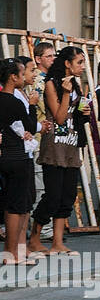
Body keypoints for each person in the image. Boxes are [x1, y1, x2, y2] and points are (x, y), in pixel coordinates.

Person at [28, 46, 89, 255]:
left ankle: (57, 241)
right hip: (54, 146)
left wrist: (84, 109)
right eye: (79, 62)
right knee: (52, 196)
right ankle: (34, 239)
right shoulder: (52, 85)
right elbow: (60, 117)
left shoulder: (75, 84)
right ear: (67, 63)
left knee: (67, 195)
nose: (82, 66)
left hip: (71, 145)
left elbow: (75, 115)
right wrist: (65, 93)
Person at [1, 59, 39, 265]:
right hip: (17, 156)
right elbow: (31, 127)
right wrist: (32, 106)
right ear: (13, 77)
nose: (25, 77)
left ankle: (13, 250)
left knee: (10, 204)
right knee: (18, 205)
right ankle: (12, 252)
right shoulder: (14, 102)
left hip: (5, 156)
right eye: (22, 73)